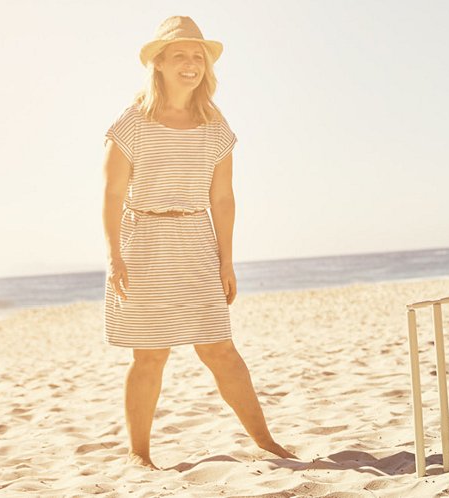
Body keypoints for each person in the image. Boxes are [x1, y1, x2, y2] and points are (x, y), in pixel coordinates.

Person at [102, 16, 295, 469]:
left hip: (195, 241)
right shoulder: (132, 123)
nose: (190, 64)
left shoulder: (215, 126)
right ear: (160, 64)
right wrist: (114, 256)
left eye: (197, 57)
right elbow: (111, 195)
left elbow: (223, 198)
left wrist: (227, 261)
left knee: (219, 348)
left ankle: (267, 442)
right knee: (149, 354)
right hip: (143, 243)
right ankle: (139, 455)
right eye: (180, 56)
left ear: (205, 66)